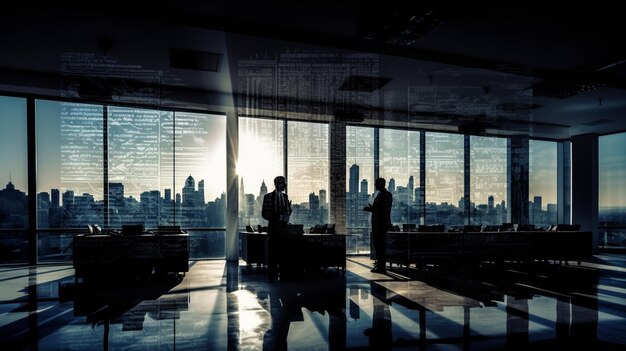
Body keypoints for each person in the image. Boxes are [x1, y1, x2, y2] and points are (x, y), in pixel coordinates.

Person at [261, 176, 292, 282]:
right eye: (283, 183)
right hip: (274, 230)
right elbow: (264, 213)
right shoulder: (268, 197)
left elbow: (287, 210)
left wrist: (288, 213)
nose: (284, 185)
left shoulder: (285, 196)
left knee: (284, 254)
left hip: (284, 230)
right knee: (272, 255)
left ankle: (284, 274)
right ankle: (272, 275)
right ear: (277, 184)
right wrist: (276, 217)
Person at [363, 178, 393, 273]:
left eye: (376, 183)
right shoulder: (382, 194)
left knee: (380, 246)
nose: (375, 185)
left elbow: (383, 210)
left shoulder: (385, 195)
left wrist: (371, 209)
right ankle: (380, 266)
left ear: (381, 184)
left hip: (380, 224)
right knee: (379, 246)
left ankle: (381, 267)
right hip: (378, 224)